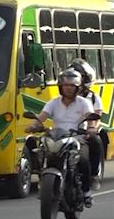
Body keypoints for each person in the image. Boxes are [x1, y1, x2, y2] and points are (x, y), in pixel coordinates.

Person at [25, 69, 97, 207]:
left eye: (72, 86)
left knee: (83, 160)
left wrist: (91, 128)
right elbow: (42, 117)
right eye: (65, 85)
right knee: (41, 153)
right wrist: (33, 126)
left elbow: (91, 118)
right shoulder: (53, 103)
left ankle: (87, 192)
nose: (68, 88)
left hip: (77, 138)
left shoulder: (84, 103)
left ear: (78, 88)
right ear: (60, 87)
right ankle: (44, 182)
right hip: (57, 137)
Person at [69, 58, 108, 191]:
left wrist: (91, 128)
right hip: (65, 132)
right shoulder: (61, 98)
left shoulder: (92, 97)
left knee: (95, 141)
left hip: (83, 133)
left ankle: (94, 175)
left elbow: (96, 114)